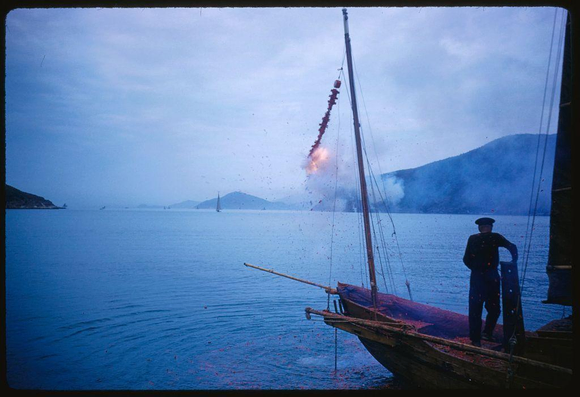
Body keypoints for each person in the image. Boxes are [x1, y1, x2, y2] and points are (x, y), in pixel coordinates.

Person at [463, 217, 518, 347]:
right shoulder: (495, 237)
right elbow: (512, 247)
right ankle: (486, 333)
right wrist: (513, 262)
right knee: (494, 308)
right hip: (491, 276)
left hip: (477, 277)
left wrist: (476, 269)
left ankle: (476, 339)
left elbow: (466, 259)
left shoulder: (473, 238)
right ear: (490, 227)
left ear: (479, 228)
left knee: (475, 308)